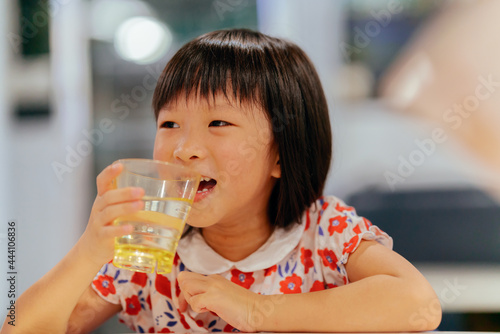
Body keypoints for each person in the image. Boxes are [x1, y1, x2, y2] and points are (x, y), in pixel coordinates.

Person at [2, 29, 441, 333]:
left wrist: (254, 309)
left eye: (218, 122)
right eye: (170, 123)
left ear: (281, 155)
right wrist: (88, 251)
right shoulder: (150, 247)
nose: (184, 148)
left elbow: (418, 304)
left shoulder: (323, 232)